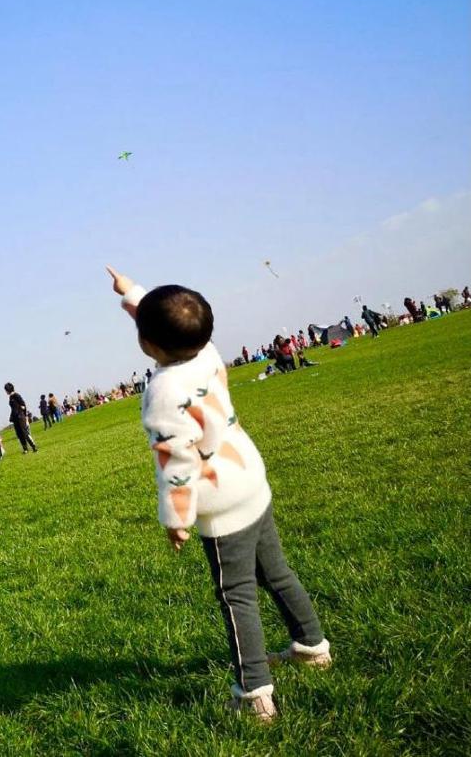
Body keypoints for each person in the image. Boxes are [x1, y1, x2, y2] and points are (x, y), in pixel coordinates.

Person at [105, 267, 330, 722]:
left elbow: (177, 461)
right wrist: (130, 291)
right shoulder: (205, 349)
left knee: (237, 596)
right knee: (277, 572)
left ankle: (254, 694)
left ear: (146, 344)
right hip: (249, 476)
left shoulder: (163, 391)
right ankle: (312, 646)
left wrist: (177, 518)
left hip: (221, 499)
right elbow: (165, 319)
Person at [4, 383, 37, 453]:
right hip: (15, 417)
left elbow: (23, 405)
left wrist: (25, 415)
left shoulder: (16, 395)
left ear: (8, 389)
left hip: (20, 416)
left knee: (24, 432)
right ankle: (25, 449)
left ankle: (33, 446)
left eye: (5, 390)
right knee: (19, 434)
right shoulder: (10, 397)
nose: (5, 392)